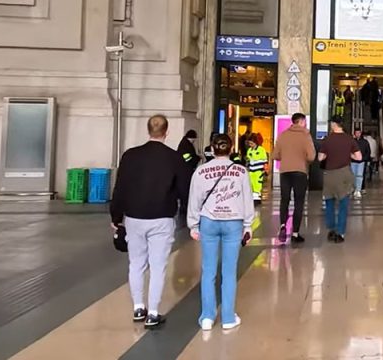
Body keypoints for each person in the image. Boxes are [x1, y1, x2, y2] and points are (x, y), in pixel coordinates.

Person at [110, 114, 189, 329]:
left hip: (134, 217)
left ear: (148, 130)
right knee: (158, 266)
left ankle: (138, 307)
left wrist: (116, 217)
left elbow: (120, 188)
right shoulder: (174, 158)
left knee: (136, 264)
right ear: (166, 131)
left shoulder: (130, 156)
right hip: (162, 217)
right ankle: (153, 312)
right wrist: (190, 215)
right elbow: (184, 189)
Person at [187, 134, 255, 330]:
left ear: (212, 148)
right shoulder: (241, 171)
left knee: (208, 270)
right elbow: (247, 200)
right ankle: (227, 317)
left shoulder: (201, 171)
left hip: (209, 221)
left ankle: (207, 317)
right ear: (231, 148)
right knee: (229, 271)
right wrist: (248, 225)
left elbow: (194, 200)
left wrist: (193, 225)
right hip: (233, 221)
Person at [272, 113, 316, 244]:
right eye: (305, 122)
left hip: (285, 171)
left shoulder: (283, 135)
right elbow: (311, 156)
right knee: (299, 202)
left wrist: (286, 157)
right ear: (301, 121)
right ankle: (295, 233)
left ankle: (282, 225)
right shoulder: (305, 135)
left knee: (284, 199)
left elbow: (275, 155)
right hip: (300, 172)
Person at [319, 117, 361, 242]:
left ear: (333, 124)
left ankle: (331, 229)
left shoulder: (327, 139)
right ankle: (340, 233)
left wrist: (328, 155)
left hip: (330, 175)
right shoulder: (349, 139)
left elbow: (320, 158)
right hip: (344, 174)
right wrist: (349, 154)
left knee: (329, 202)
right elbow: (359, 157)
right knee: (343, 204)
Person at [245, 134, 268, 203]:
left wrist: (265, 170)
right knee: (251, 183)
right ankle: (254, 197)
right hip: (251, 171)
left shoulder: (261, 150)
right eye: (249, 143)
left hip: (259, 171)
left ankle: (257, 198)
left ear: (255, 142)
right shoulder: (249, 150)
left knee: (257, 184)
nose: (250, 145)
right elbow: (248, 160)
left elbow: (265, 161)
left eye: (252, 143)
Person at [352, 128, 371, 198]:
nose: (357, 134)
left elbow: (368, 151)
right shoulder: (352, 141)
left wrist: (364, 159)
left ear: (361, 133)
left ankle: (358, 190)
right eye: (356, 133)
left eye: (359, 133)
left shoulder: (365, 142)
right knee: (353, 175)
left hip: (361, 161)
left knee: (359, 175)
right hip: (353, 161)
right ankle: (355, 188)